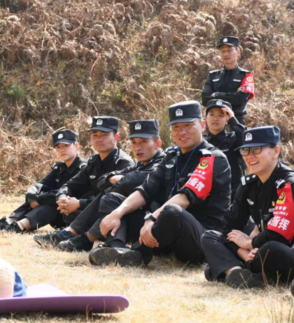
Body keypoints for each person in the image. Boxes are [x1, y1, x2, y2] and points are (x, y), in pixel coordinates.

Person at [91, 101, 231, 267]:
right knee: (113, 199)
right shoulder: (172, 155)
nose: (182, 132)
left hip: (197, 238)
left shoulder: (213, 158)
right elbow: (145, 191)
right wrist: (117, 213)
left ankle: (138, 254)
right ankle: (118, 250)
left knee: (173, 211)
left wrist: (151, 218)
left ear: (201, 125)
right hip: (161, 233)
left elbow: (184, 198)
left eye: (188, 125)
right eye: (176, 127)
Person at [201, 126, 294, 288]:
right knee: (210, 236)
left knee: (271, 248)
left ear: (276, 152)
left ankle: (226, 268)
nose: (250, 156)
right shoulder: (249, 183)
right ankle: (236, 272)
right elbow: (229, 225)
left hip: (290, 252)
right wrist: (244, 251)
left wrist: (250, 243)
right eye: (246, 151)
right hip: (256, 250)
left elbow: (279, 235)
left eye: (256, 150)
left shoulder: (291, 183)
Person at [55, 120, 165, 253]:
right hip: (134, 219)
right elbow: (102, 181)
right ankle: (114, 245)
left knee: (111, 198)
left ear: (158, 144)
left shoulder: (162, 163)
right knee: (110, 197)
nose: (137, 147)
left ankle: (83, 236)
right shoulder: (140, 164)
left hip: (154, 223)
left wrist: (116, 180)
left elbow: (129, 181)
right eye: (134, 142)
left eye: (143, 141)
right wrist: (114, 179)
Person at [33, 116, 134, 246]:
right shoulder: (93, 162)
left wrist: (80, 203)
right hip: (91, 213)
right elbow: (70, 184)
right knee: (68, 210)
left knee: (103, 203)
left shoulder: (124, 163)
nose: (99, 139)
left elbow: (113, 200)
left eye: (104, 134)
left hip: (115, 215)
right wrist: (63, 197)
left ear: (116, 137)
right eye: (95, 134)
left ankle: (73, 234)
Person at [0, 130, 86, 235]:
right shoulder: (59, 167)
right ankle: (7, 222)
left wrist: (40, 198)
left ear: (76, 146)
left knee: (52, 202)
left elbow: (70, 193)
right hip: (57, 215)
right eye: (58, 147)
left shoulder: (84, 168)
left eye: (66, 145)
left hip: (74, 216)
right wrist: (32, 196)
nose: (62, 150)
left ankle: (18, 227)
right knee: (38, 198)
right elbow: (41, 184)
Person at [201, 36, 255, 124]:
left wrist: (217, 94)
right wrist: (232, 95)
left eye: (229, 50)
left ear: (238, 52)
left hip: (236, 122)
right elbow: (204, 99)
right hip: (215, 123)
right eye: (223, 51)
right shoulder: (213, 76)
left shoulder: (246, 75)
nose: (226, 54)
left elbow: (240, 99)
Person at [204, 99, 246, 201]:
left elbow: (246, 138)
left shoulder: (233, 139)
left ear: (227, 119)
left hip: (232, 194)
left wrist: (233, 120)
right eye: (212, 114)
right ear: (205, 118)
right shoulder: (201, 142)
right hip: (206, 194)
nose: (215, 118)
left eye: (221, 115)